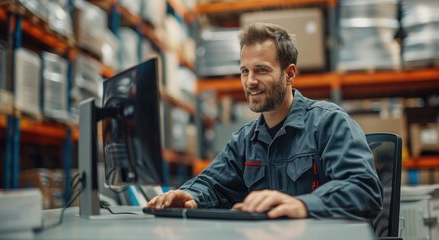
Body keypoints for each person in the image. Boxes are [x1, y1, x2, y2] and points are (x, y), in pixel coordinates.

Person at [147, 22, 383, 220]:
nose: (250, 81)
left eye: (261, 70)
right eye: (244, 71)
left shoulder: (329, 124)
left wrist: (303, 205)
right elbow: (212, 183)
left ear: (289, 74)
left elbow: (364, 190)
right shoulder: (245, 141)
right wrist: (190, 196)